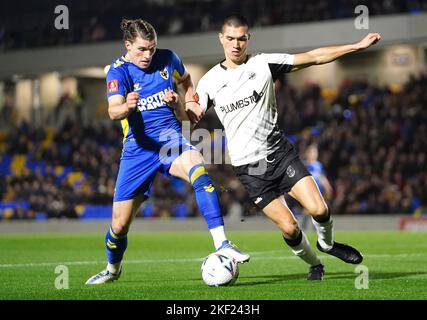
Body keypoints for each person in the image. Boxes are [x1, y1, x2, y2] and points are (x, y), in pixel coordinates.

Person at [195, 15, 381, 280]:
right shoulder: (210, 81)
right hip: (250, 169)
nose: (235, 45)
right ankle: (315, 263)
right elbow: (194, 111)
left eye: (241, 39)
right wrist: (178, 106)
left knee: (319, 210)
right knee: (291, 229)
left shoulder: (263, 63)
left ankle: (326, 244)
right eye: (230, 39)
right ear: (221, 39)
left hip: (280, 155)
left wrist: (355, 46)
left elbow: (313, 57)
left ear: (248, 39)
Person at [86, 19, 249, 285]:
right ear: (128, 45)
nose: (148, 55)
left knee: (199, 170)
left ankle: (223, 243)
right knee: (119, 226)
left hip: (169, 139)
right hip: (138, 150)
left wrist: (185, 101)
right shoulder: (117, 72)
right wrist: (126, 106)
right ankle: (112, 270)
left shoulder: (168, 59)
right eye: (141, 49)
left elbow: (185, 80)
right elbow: (112, 110)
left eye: (152, 48)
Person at [299, 144, 333, 230]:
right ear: (307, 153)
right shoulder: (304, 165)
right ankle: (303, 228)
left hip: (319, 191)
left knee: (319, 210)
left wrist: (328, 187)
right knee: (307, 209)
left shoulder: (318, 165)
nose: (313, 154)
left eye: (315, 152)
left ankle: (317, 229)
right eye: (311, 152)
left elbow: (322, 177)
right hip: (308, 190)